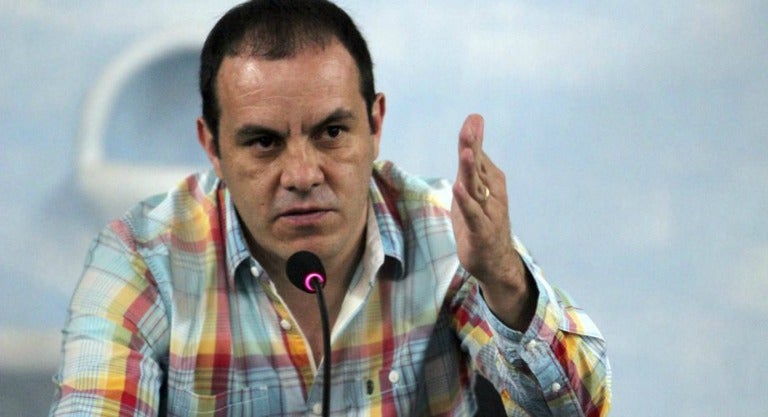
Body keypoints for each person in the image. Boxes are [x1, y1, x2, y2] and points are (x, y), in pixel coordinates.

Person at [50, 0, 611, 415]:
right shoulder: (140, 259)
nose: (302, 176)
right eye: (263, 142)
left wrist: (504, 277)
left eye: (332, 132)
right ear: (212, 147)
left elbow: (578, 409)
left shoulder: (445, 228)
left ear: (375, 125)